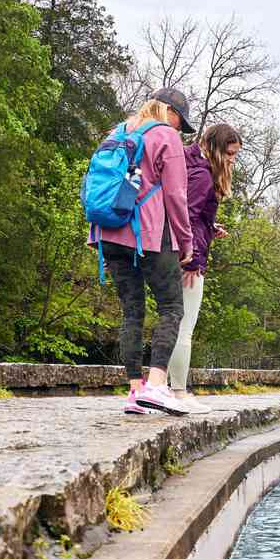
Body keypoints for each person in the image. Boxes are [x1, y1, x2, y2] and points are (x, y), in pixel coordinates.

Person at [88, 88, 195, 416]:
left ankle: (135, 392)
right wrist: (186, 241)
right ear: (171, 113)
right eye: (181, 122)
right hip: (149, 233)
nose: (180, 129)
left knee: (132, 311)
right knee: (172, 308)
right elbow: (176, 195)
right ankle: (157, 385)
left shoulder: (117, 131)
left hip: (108, 231)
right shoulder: (166, 136)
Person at [167, 123, 243, 415]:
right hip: (187, 259)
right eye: (230, 153)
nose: (232, 160)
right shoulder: (202, 174)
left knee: (173, 324)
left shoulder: (188, 164)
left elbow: (193, 217)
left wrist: (210, 228)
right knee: (184, 328)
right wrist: (193, 258)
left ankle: (168, 388)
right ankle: (179, 392)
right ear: (214, 147)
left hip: (176, 252)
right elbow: (186, 217)